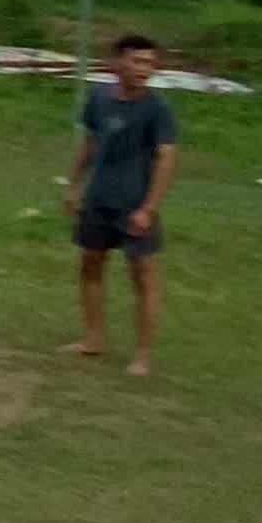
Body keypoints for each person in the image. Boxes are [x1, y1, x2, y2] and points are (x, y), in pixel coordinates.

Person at [64, 33, 177, 377]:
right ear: (117, 64)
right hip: (98, 199)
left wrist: (148, 209)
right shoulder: (99, 99)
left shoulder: (157, 111)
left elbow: (166, 160)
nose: (145, 69)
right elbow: (89, 142)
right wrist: (73, 184)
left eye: (150, 63)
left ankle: (142, 355)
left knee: (142, 277)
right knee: (90, 265)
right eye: (138, 61)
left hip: (134, 205)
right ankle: (93, 339)